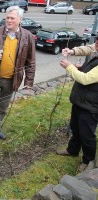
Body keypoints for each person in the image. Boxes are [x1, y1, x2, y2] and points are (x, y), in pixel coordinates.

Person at [0, 6, 36, 144]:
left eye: (12, 18)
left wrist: (28, 83)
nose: (8, 20)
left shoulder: (27, 37)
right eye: (7, 17)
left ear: (20, 19)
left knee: (3, 107)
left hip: (12, 80)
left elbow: (30, 62)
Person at [56, 36, 98, 173]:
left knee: (87, 134)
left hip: (91, 106)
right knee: (75, 128)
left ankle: (88, 160)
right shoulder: (96, 55)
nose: (96, 43)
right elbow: (88, 70)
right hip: (81, 101)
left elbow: (85, 79)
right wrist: (79, 67)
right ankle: (72, 150)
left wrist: (70, 67)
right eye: (97, 40)